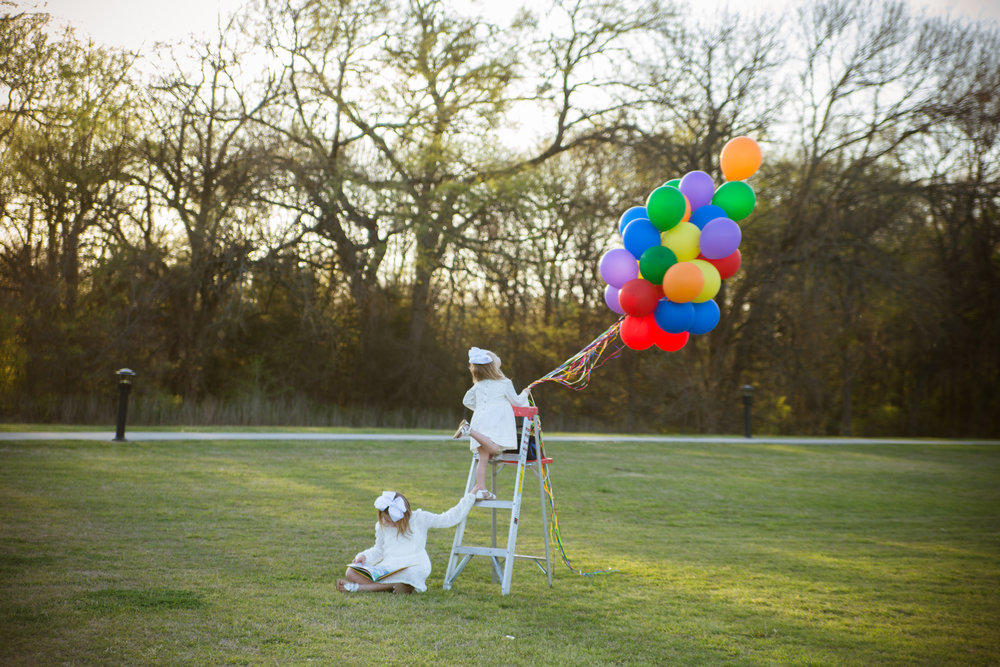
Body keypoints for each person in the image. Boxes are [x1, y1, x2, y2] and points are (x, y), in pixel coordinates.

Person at [337, 490, 475, 594]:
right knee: (351, 572)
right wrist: (363, 557)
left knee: (410, 574)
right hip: (389, 567)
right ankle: (389, 587)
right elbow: (378, 550)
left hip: (412, 565)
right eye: (386, 520)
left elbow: (448, 518)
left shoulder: (419, 518)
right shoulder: (381, 526)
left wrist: (471, 496)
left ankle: (361, 588)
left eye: (393, 521)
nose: (390, 524)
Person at [452, 347, 531, 500]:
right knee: (494, 448)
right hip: (493, 424)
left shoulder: (479, 384)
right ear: (492, 366)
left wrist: (482, 407)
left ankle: (481, 489)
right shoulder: (504, 383)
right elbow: (517, 401)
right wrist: (525, 393)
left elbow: (466, 400)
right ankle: (468, 430)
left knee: (483, 458)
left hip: (480, 421)